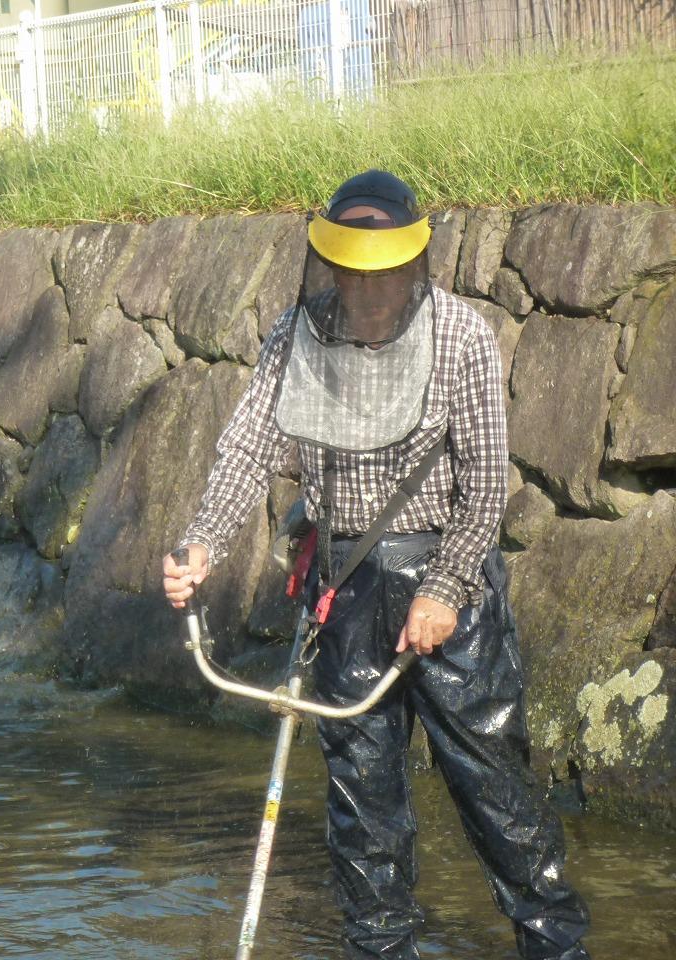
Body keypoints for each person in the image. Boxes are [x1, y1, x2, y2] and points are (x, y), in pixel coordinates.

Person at [162, 171, 591, 959]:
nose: (369, 287)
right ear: (330, 266)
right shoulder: (296, 335)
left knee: (495, 791)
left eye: (384, 269)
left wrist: (446, 589)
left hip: (446, 593)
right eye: (353, 270)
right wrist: (201, 546)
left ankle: (555, 944)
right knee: (364, 806)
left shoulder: (459, 334)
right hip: (345, 590)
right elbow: (248, 449)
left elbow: (487, 482)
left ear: (410, 263)